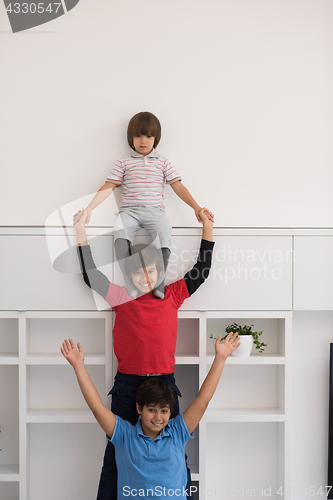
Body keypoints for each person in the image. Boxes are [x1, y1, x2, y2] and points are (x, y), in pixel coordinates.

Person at [74, 206, 214, 500]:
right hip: (128, 385)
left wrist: (207, 228)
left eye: (151, 271)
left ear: (159, 270)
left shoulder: (173, 295)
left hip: (164, 383)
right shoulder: (120, 297)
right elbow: (91, 275)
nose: (145, 277)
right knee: (115, 455)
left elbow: (201, 272)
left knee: (176, 451)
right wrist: (80, 231)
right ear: (129, 273)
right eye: (138, 272)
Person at [60, 331, 240, 499]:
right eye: (151, 410)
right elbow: (97, 408)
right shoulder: (124, 436)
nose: (158, 418)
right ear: (139, 408)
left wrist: (220, 358)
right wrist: (79, 366)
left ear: (170, 411)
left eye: (164, 411)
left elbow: (204, 399)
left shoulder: (177, 432)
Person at [73, 111, 214, 298]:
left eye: (148, 136)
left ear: (156, 138)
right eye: (138, 135)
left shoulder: (163, 162)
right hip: (129, 212)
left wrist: (196, 208)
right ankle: (131, 281)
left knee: (164, 231)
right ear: (131, 137)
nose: (143, 140)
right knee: (119, 233)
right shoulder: (124, 162)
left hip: (155, 211)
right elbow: (109, 186)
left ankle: (159, 282)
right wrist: (90, 208)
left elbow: (178, 186)